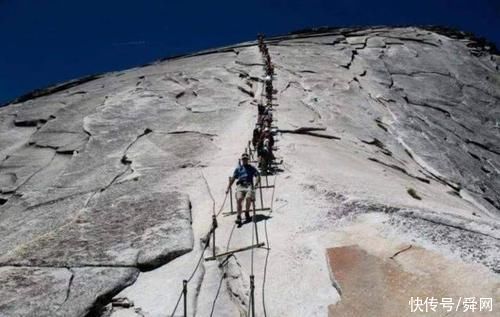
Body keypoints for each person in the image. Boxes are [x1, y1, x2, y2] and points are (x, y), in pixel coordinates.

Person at [226, 153, 260, 225]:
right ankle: (238, 216)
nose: (244, 160)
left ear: (248, 160)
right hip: (240, 185)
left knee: (248, 198)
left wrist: (256, 182)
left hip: (249, 185)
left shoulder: (251, 168)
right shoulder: (238, 169)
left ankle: (247, 212)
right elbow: (233, 178)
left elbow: (257, 175)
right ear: (242, 160)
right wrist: (228, 187)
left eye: (246, 159)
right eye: (243, 159)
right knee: (239, 199)